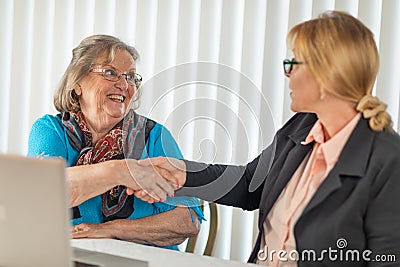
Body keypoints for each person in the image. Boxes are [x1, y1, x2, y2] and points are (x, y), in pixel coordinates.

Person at [137, 11, 400, 266]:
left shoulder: (387, 160)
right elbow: (251, 183)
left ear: (326, 76)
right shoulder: (301, 127)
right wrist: (182, 173)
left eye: (293, 63)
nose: (288, 74)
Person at [28, 34, 204, 250]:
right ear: (77, 83)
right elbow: (42, 194)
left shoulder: (154, 136)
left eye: (130, 77)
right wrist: (121, 171)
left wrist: (112, 230)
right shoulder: (51, 130)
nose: (124, 85)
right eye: (110, 73)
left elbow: (189, 220)